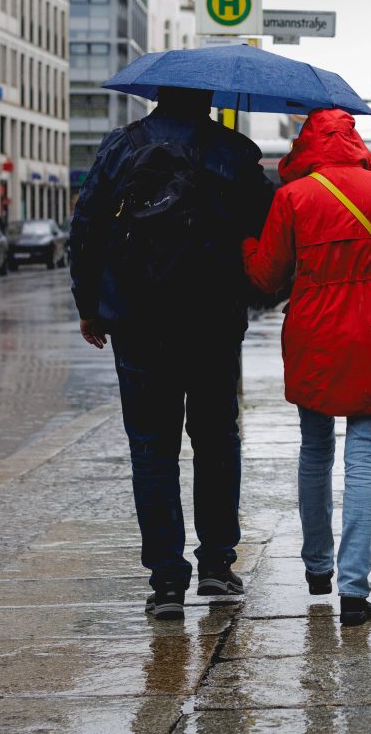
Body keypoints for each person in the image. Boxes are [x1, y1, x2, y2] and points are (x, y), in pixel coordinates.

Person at [69, 86, 273, 620]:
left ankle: (165, 581)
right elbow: (266, 228)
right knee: (216, 440)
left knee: (152, 449)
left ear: (156, 94)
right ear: (207, 96)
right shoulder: (234, 150)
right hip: (212, 320)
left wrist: (89, 305)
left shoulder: (122, 145)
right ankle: (217, 567)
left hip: (139, 320)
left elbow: (85, 226)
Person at [241, 108, 371, 627]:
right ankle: (355, 591)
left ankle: (318, 568)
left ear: (308, 143)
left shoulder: (293, 197)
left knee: (314, 450)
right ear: (354, 140)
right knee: (365, 457)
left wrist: (247, 245)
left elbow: (265, 276)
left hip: (315, 335)